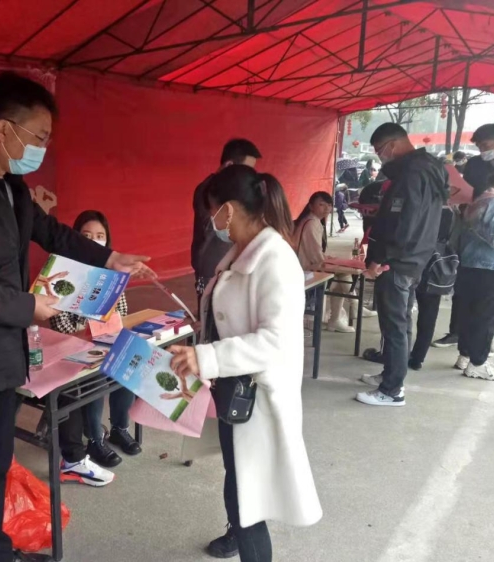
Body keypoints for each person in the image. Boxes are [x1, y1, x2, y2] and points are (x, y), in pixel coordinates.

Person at [0, 71, 151, 562]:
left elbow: (50, 231)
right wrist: (29, 307)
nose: (42, 148)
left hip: (1, 355)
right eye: (39, 137)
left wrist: (110, 258)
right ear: (4, 129)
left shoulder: (9, 184)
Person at [170, 167, 322, 562]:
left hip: (257, 397)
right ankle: (236, 534)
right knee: (238, 483)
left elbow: (275, 341)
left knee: (247, 501)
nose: (210, 220)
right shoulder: (241, 251)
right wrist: (202, 334)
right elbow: (229, 315)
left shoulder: (276, 260)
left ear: (229, 209)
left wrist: (208, 356)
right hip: (232, 390)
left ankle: (247, 543)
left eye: (212, 211)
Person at [357, 123, 447, 407]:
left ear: (393, 145)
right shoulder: (430, 169)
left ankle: (392, 390)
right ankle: (392, 374)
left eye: (380, 150)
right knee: (401, 321)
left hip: (397, 261)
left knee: (394, 325)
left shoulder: (411, 174)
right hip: (415, 258)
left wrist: (380, 259)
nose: (380, 156)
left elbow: (403, 224)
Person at [50, 210, 140, 475]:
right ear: (75, 238)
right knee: (96, 375)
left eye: (99, 236)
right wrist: (91, 324)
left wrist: (105, 325)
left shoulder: (111, 273)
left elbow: (121, 313)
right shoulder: (62, 273)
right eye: (86, 235)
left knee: (128, 360)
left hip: (104, 340)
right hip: (72, 348)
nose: (93, 241)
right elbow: (61, 326)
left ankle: (119, 428)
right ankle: (94, 440)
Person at [433, 123, 494, 348]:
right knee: (464, 290)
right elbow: (466, 191)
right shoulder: (475, 164)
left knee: (490, 299)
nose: (483, 150)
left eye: (486, 145)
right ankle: (457, 333)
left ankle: (482, 344)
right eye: (479, 146)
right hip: (470, 226)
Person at [192, 139, 261, 310]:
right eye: (245, 169)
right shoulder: (210, 190)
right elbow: (215, 227)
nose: (248, 176)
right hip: (213, 265)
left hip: (229, 264)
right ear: (229, 164)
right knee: (212, 316)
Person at [292, 191, 374, 333]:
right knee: (343, 274)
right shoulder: (311, 223)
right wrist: (331, 262)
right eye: (321, 205)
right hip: (305, 269)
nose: (326, 208)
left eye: (329, 205)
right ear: (311, 206)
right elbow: (316, 256)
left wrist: (329, 259)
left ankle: (344, 313)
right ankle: (350, 308)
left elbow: (316, 252)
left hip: (308, 265)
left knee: (343, 275)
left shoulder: (313, 221)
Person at [453, 166, 494, 381]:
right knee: (486, 317)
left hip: (471, 264)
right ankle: (478, 363)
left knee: (469, 313)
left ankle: (465, 355)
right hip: (490, 267)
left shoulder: (480, 200)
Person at [408, 205, 455, 370]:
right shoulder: (450, 212)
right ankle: (418, 358)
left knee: (402, 311)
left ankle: (396, 353)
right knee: (428, 315)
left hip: (414, 259)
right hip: (436, 265)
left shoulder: (421, 206)